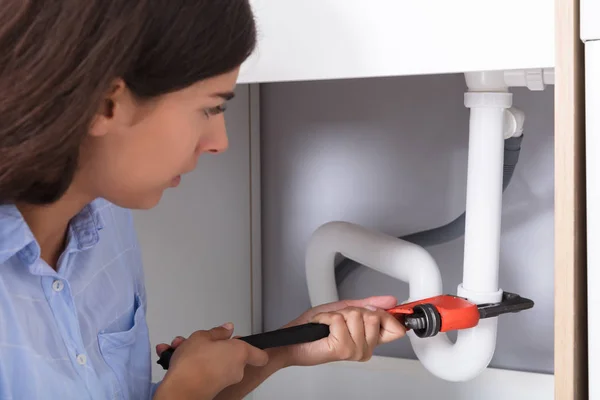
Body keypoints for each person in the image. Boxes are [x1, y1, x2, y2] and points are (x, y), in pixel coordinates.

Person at [0, 1, 407, 399]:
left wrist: (283, 349)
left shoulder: (107, 223)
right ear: (108, 103)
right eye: (210, 108)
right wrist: (186, 390)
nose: (220, 142)